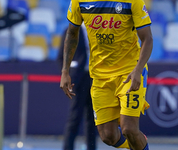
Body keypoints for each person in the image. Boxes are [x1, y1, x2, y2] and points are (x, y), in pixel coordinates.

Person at [60, 0, 153, 149]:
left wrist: (137, 69)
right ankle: (140, 142)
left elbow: (147, 38)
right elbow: (71, 33)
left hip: (129, 72)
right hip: (100, 77)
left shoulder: (132, 1)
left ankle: (138, 141)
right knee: (108, 136)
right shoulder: (79, 2)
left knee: (128, 128)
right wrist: (65, 71)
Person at [58, 24, 97, 150]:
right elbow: (61, 56)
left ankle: (91, 148)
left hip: (95, 78)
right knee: (75, 117)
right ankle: (67, 148)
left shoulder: (98, 28)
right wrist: (68, 74)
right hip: (78, 79)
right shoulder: (70, 30)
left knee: (93, 119)